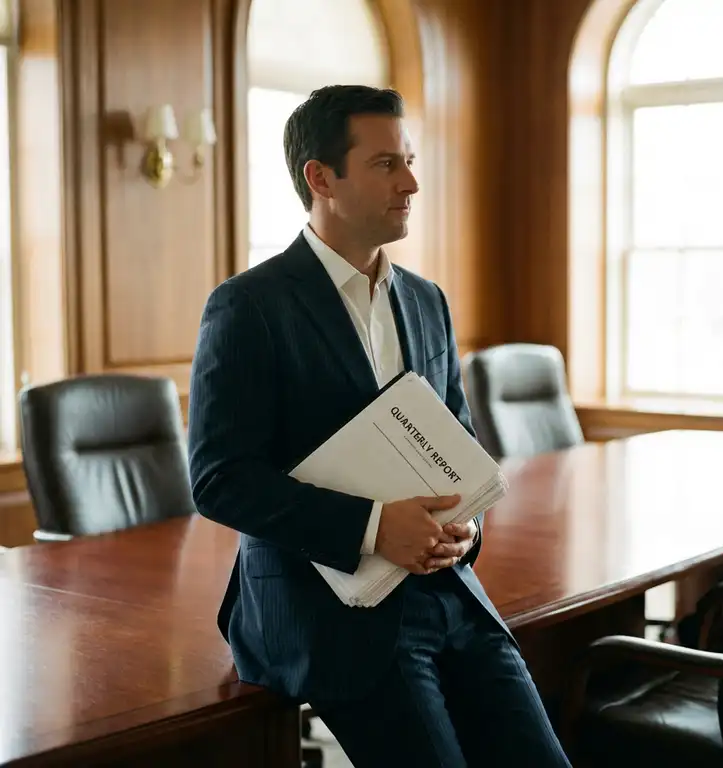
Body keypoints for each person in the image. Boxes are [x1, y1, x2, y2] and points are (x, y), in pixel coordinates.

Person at [187, 85, 572, 768]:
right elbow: (219, 480)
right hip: (324, 609)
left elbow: (457, 438)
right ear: (321, 177)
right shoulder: (248, 307)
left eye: (410, 161)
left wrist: (466, 522)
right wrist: (371, 526)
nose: (412, 183)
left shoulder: (427, 301)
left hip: (450, 592)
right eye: (387, 164)